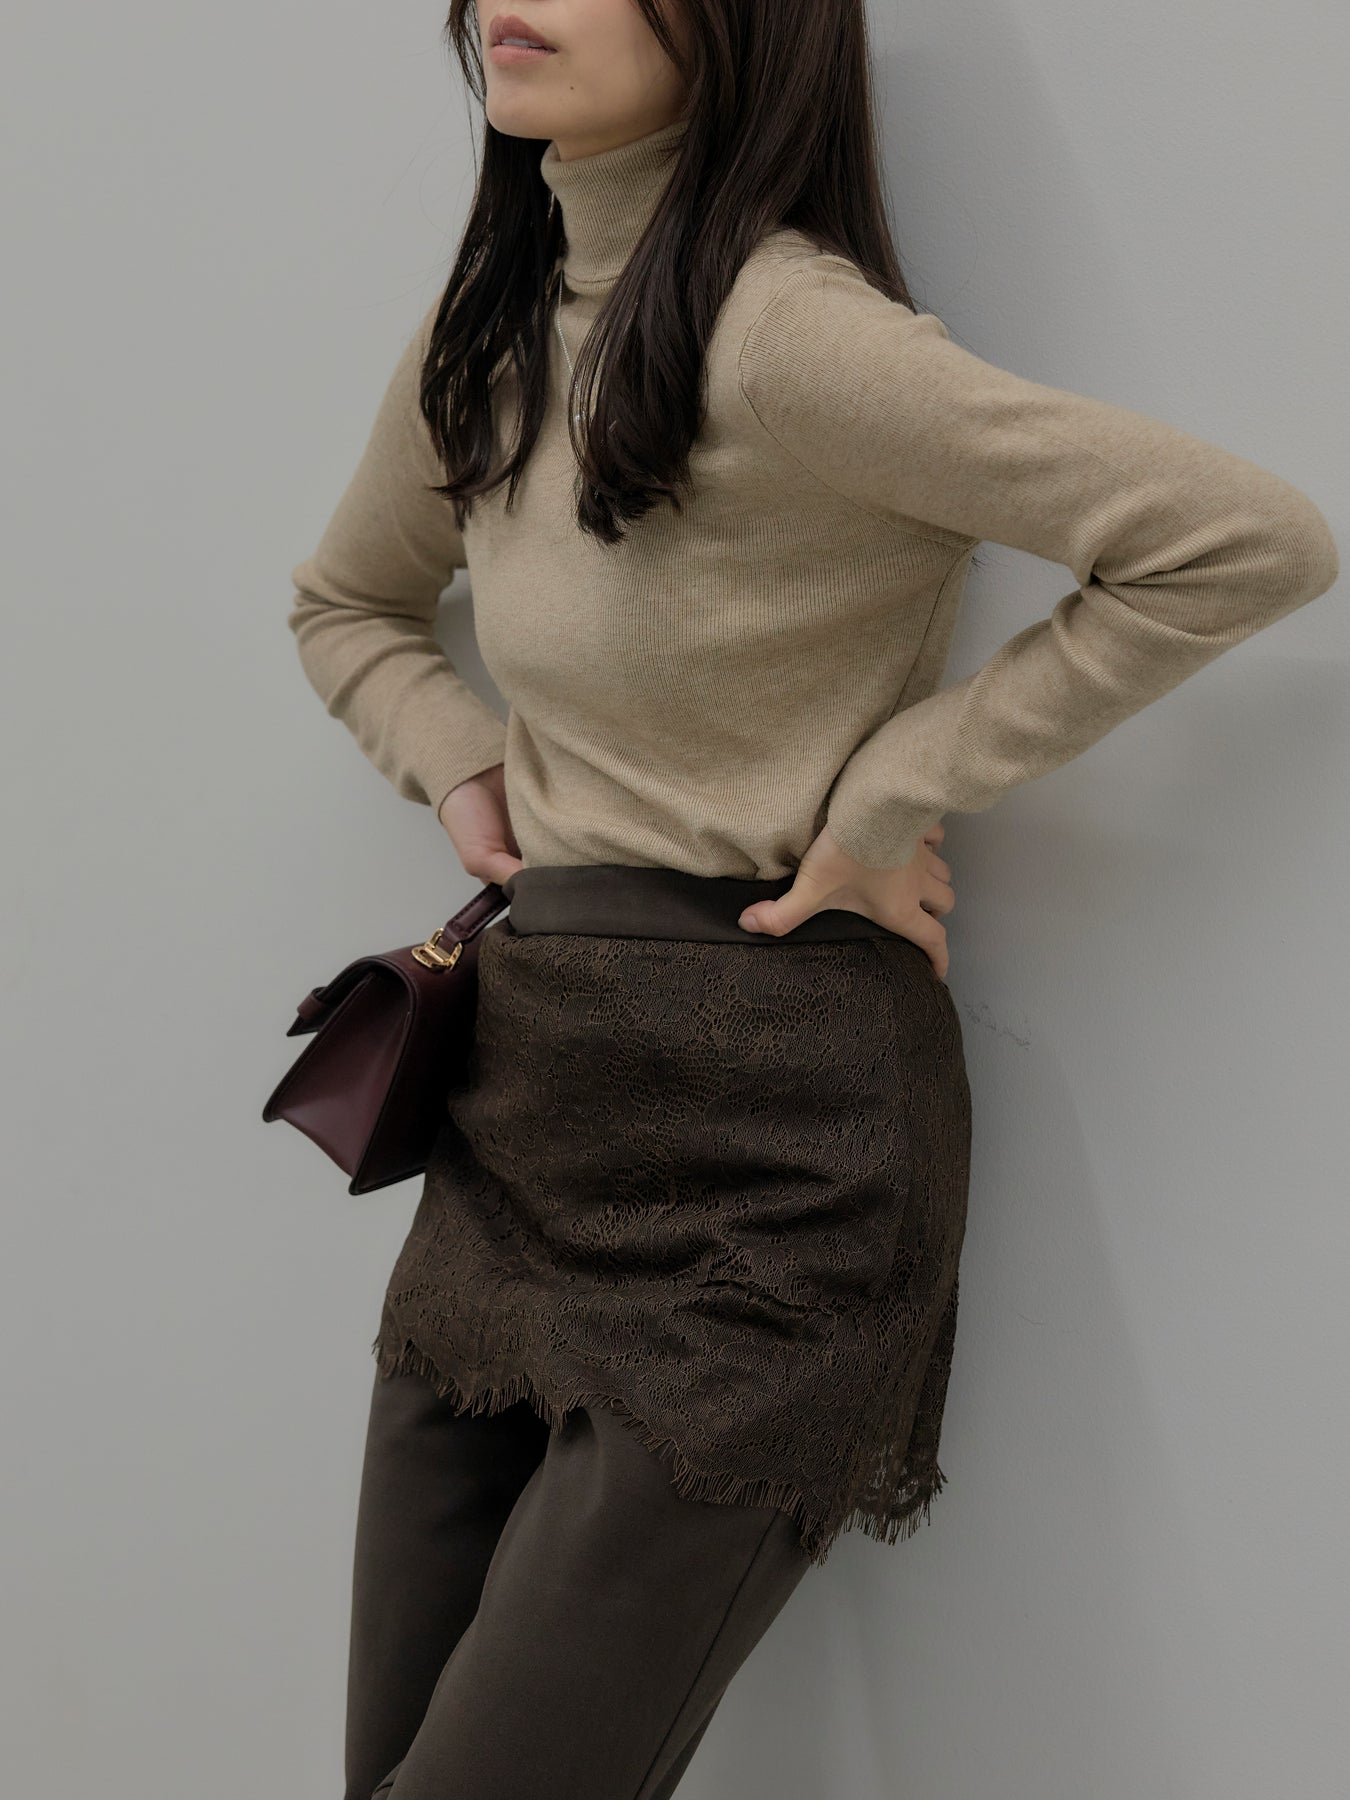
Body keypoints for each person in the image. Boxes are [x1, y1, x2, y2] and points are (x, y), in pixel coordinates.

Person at [283, 4, 1340, 1796]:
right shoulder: (491, 334)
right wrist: (463, 766)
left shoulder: (789, 334)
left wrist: (897, 784)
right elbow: (347, 604)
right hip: (526, 1110)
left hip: (773, 1151)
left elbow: (1242, 541)